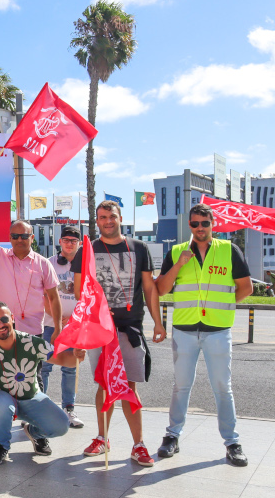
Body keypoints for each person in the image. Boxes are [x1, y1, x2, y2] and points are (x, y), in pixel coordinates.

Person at [155, 203, 252, 466]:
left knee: (223, 387)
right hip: (185, 330)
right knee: (181, 386)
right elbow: (162, 288)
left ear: (213, 224)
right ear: (189, 226)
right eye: (195, 224)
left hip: (218, 331)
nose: (200, 228)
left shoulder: (229, 250)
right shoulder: (176, 251)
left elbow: (245, 287)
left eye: (205, 223)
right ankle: (172, 436)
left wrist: (225, 307)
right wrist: (179, 264)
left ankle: (232, 442)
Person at [72, 200, 166, 466]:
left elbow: (149, 288)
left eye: (111, 216)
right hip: (100, 329)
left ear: (119, 217)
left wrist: (158, 322)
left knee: (128, 387)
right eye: (102, 217)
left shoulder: (139, 248)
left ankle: (138, 444)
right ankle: (102, 438)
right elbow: (81, 293)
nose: (107, 221)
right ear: (97, 221)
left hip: (129, 328)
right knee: (104, 384)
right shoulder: (87, 250)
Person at [0, 302, 84, 464]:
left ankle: (35, 433)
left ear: (12, 319)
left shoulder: (30, 342)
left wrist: (77, 355)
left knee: (61, 426)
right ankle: (1, 446)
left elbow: (63, 359)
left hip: (29, 397)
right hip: (0, 398)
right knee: (0, 403)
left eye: (4, 319)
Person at [0, 197, 61, 339]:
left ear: (32, 238)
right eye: (15, 236)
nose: (19, 240)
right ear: (10, 238)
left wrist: (58, 328)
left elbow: (54, 297)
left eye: (24, 236)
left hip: (32, 332)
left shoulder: (44, 263)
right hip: (1, 330)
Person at [39, 225, 85, 429]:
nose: (69, 244)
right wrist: (58, 319)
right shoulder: (49, 263)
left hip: (75, 326)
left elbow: (87, 294)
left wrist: (74, 319)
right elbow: (44, 296)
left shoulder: (85, 264)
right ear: (60, 242)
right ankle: (42, 408)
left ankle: (69, 408)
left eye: (73, 241)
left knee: (70, 369)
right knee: (45, 367)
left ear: (79, 244)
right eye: (65, 240)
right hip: (50, 324)